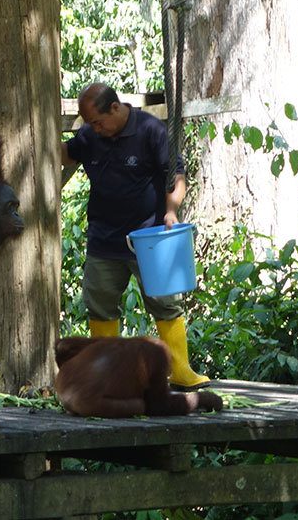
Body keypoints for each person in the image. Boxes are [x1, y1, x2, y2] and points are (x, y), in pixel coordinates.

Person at [60, 83, 210, 389]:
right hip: (104, 238)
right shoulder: (90, 135)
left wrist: (171, 210)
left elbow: (176, 175)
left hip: (151, 238)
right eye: (90, 124)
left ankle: (180, 371)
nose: (95, 129)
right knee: (100, 305)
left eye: (98, 122)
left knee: (166, 303)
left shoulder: (150, 130)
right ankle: (108, 375)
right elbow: (66, 156)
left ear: (115, 108)